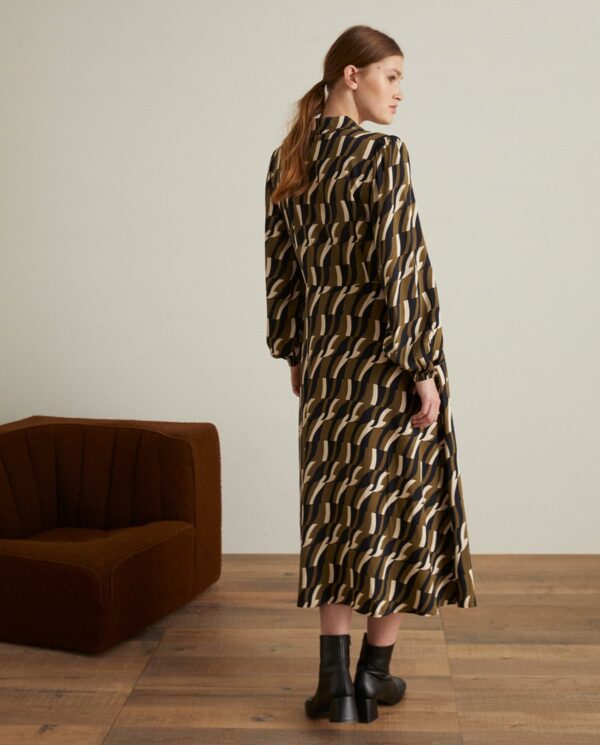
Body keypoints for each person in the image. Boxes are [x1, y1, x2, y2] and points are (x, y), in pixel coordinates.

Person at [264, 24, 477, 724]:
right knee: (392, 511)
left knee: (334, 512)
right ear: (351, 76)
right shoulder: (383, 155)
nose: (400, 93)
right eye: (392, 76)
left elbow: (280, 271)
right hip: (385, 363)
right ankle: (372, 675)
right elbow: (400, 267)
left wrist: (295, 352)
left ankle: (336, 685)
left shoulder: (287, 160)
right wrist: (422, 368)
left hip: (326, 366)